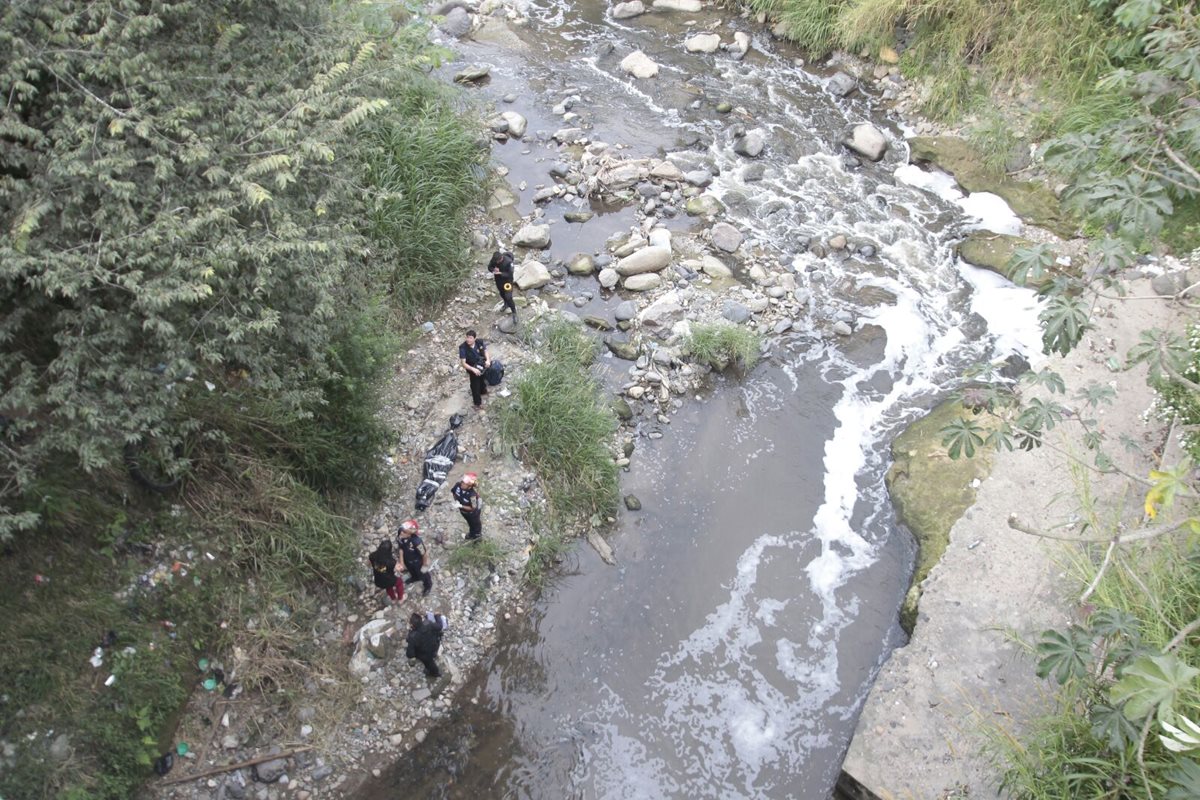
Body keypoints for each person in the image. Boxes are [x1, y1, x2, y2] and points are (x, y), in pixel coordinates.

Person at [405, 610, 448, 678]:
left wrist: (409, 639)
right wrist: (437, 616)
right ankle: (434, 655)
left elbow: (410, 654)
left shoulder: (412, 636)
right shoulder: (428, 624)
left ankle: (435, 673)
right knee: (432, 651)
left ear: (412, 625)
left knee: (429, 663)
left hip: (424, 654)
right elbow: (439, 627)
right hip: (434, 645)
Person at [397, 519, 433, 596]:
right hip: (408, 560)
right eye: (401, 531)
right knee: (412, 571)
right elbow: (401, 548)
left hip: (417, 562)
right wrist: (402, 562)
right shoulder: (400, 536)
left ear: (410, 533)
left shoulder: (416, 541)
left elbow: (424, 554)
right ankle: (415, 577)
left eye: (404, 532)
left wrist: (424, 565)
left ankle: (428, 586)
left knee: (424, 575)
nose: (401, 533)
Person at [458, 330, 490, 410]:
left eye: (470, 338)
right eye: (467, 337)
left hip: (481, 364)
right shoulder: (463, 348)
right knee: (475, 385)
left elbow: (485, 351)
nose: (468, 340)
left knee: (483, 378)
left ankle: (483, 391)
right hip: (472, 367)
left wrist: (488, 360)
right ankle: (477, 403)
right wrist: (473, 369)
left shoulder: (479, 342)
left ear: (474, 338)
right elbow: (463, 363)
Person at [367, 539, 403, 605]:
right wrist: (401, 555)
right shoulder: (391, 562)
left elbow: (369, 564)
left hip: (378, 579)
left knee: (388, 587)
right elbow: (400, 568)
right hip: (388, 579)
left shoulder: (372, 555)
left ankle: (393, 599)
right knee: (399, 582)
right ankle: (400, 599)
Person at [450, 472, 482, 541]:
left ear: (469, 486)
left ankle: (476, 539)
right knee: (470, 523)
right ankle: (471, 534)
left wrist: (461, 506)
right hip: (463, 512)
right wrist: (456, 500)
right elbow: (454, 492)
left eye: (464, 483)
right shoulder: (458, 486)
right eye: (462, 482)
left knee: (476, 526)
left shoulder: (472, 495)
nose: (462, 484)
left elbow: (473, 508)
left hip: (472, 514)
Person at [487, 250, 517, 320]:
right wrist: (494, 270)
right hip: (499, 281)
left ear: (501, 258)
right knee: (502, 294)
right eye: (495, 262)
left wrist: (500, 273)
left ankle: (514, 312)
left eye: (497, 262)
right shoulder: (494, 260)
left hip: (507, 281)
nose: (496, 263)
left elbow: (510, 274)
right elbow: (489, 267)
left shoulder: (509, 262)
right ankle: (505, 304)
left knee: (508, 297)